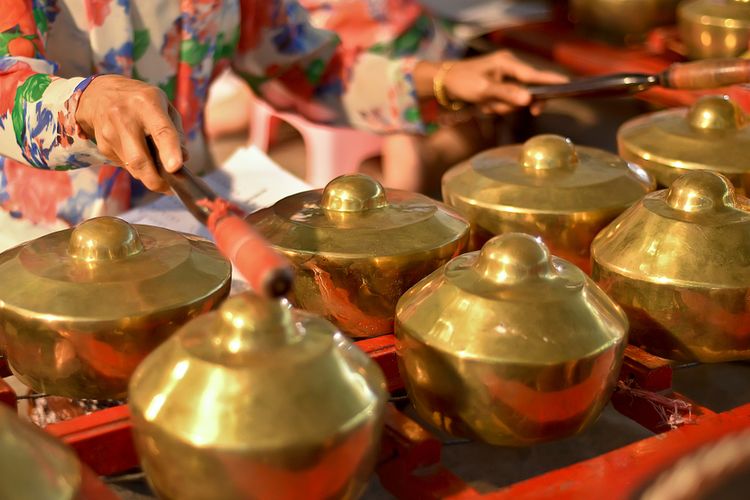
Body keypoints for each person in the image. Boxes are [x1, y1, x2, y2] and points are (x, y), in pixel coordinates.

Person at [0, 0, 566, 226]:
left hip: (173, 221)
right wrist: (85, 104)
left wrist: (440, 81)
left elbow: (303, 66)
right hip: (31, 248)